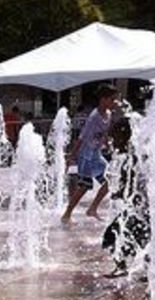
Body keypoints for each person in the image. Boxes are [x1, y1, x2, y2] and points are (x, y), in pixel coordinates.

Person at [100, 116, 149, 277]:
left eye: (115, 138)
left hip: (143, 209)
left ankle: (128, 267)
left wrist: (120, 192)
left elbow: (136, 183)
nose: (112, 143)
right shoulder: (133, 155)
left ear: (124, 137)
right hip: (139, 208)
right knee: (130, 236)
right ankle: (126, 266)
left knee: (115, 235)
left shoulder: (136, 157)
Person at [62, 85, 117, 223]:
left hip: (96, 155)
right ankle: (67, 214)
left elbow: (104, 133)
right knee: (84, 186)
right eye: (112, 99)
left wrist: (107, 144)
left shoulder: (108, 114)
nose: (114, 102)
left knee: (110, 181)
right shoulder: (94, 117)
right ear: (103, 99)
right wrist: (71, 157)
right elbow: (81, 138)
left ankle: (92, 209)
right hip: (86, 155)